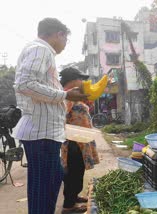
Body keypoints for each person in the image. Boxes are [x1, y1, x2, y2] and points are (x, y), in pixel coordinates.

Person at [13, 18, 88, 214]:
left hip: (45, 133)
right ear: (59, 34)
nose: (64, 44)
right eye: (66, 39)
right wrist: (65, 94)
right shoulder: (41, 49)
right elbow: (25, 84)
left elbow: (32, 84)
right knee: (43, 186)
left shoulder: (40, 51)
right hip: (40, 133)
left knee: (52, 179)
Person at [59, 67, 100, 213]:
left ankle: (74, 197)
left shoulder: (74, 96)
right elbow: (61, 118)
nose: (82, 82)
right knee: (73, 174)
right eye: (80, 79)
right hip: (73, 143)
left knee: (78, 172)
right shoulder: (66, 97)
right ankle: (69, 206)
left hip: (80, 142)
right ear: (72, 80)